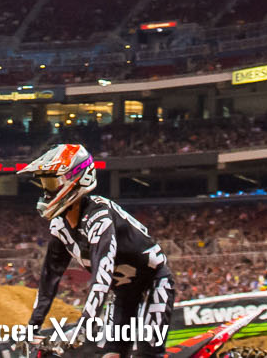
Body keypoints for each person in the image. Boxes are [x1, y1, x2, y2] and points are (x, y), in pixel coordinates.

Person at [20, 144, 171, 358]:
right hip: (122, 292)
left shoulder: (99, 218)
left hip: (154, 281)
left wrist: (84, 326)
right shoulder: (60, 226)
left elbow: (102, 277)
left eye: (52, 183)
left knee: (146, 353)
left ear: (76, 179)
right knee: (111, 355)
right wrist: (32, 327)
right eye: (44, 183)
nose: (47, 191)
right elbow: (48, 280)